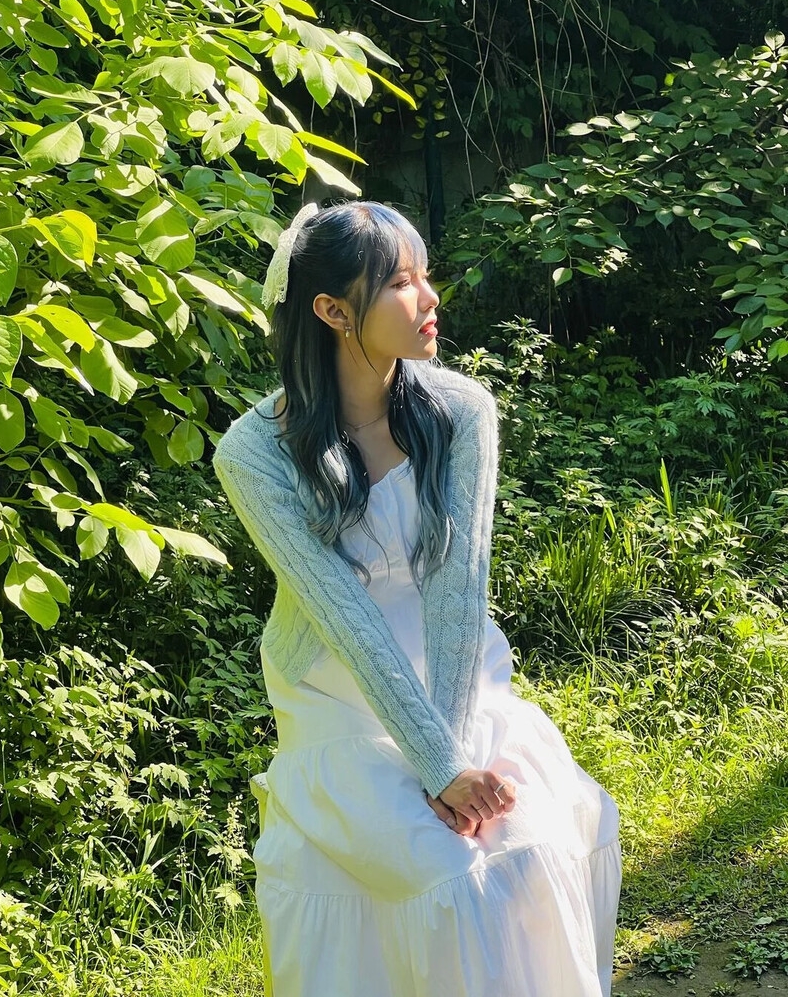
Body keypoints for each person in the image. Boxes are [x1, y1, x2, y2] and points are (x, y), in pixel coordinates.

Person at [212, 201, 621, 997]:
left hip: (457, 670)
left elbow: (459, 587)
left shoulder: (460, 410)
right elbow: (341, 615)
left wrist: (454, 757)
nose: (430, 298)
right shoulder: (252, 452)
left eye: (424, 276)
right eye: (401, 282)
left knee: (533, 846)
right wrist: (439, 769)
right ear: (333, 311)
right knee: (447, 878)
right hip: (335, 691)